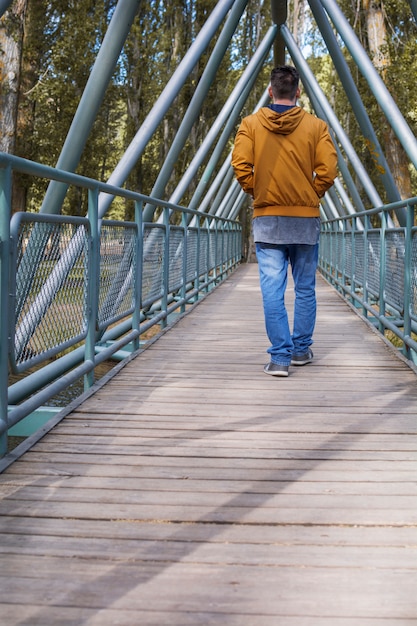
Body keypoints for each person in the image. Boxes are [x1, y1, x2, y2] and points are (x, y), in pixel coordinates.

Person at [231, 65, 338, 377]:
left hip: (268, 219)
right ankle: (301, 351)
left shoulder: (250, 125)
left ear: (270, 91)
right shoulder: (316, 127)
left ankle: (279, 358)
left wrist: (260, 191)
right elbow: (328, 171)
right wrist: (309, 194)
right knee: (305, 288)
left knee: (272, 291)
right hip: (305, 220)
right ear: (298, 92)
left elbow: (241, 166)